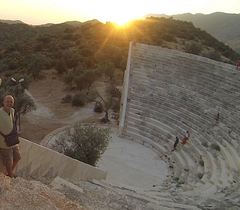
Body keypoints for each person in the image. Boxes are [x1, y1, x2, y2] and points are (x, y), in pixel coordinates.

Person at [0, 95, 21, 178]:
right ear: (3, 102)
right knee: (8, 161)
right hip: (4, 142)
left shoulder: (12, 111)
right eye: (7, 101)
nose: (9, 103)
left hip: (13, 140)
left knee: (18, 157)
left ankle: (9, 174)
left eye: (11, 102)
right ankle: (10, 176)